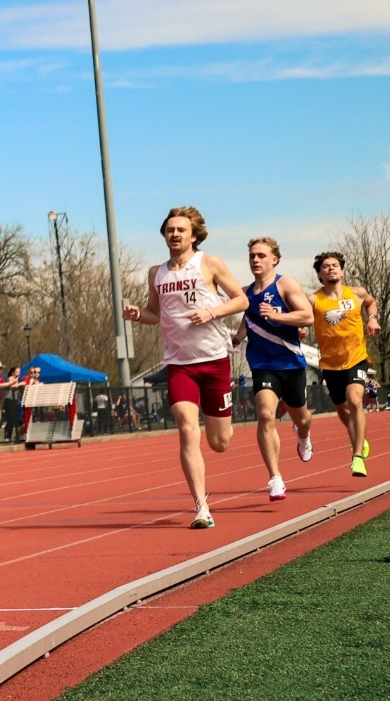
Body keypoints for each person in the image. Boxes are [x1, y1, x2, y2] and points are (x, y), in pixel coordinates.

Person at [122, 207, 249, 529]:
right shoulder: (156, 273)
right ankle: (201, 507)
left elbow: (241, 300)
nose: (175, 234)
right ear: (164, 235)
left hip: (214, 360)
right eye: (170, 230)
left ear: (194, 235)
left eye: (181, 230)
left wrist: (212, 312)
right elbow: (154, 314)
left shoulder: (209, 263)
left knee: (219, 442)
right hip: (179, 363)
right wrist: (138, 315)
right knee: (187, 428)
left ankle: (223, 424)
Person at [236, 236, 316, 500]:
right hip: (262, 365)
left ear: (274, 259)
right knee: (265, 415)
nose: (255, 260)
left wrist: (278, 316)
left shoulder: (285, 284)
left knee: (302, 418)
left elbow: (307, 316)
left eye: (261, 255)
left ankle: (303, 435)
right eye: (252, 256)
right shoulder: (245, 293)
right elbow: (249, 321)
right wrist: (235, 339)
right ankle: (275, 477)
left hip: (290, 364)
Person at [312, 250, 382, 477]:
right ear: (320, 274)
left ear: (342, 271)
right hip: (330, 364)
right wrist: (300, 328)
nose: (331, 268)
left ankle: (357, 456)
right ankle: (360, 438)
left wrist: (372, 319)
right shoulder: (313, 300)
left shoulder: (357, 293)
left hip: (356, 359)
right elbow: (302, 316)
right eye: (325, 266)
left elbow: (371, 303)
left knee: (355, 400)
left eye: (335, 265)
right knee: (343, 412)